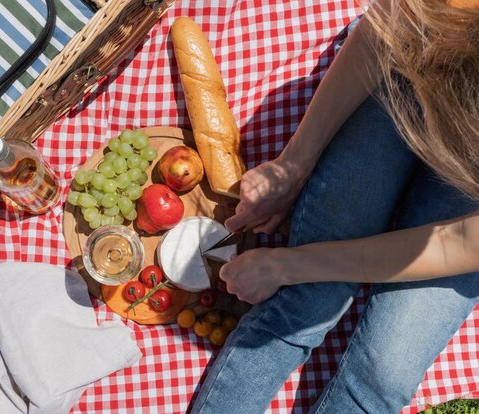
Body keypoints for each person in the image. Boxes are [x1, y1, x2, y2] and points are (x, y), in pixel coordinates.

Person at [190, 0, 479, 412]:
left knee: (382, 376)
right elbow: (384, 29)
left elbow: (459, 244)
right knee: (306, 301)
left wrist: (291, 264)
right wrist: (294, 163)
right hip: (414, 67)